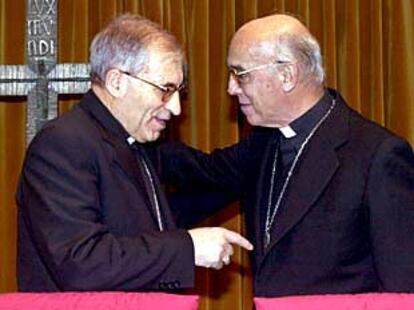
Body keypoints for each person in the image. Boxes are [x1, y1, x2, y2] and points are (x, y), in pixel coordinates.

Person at [157, 14, 414, 297]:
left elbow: (402, 289)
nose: (231, 88)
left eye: (240, 74)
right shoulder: (263, 142)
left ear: (287, 75)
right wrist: (127, 127)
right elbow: (200, 171)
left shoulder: (377, 156)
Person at [16, 14, 253, 292]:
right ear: (116, 82)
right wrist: (188, 248)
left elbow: (210, 177)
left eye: (178, 92)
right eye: (165, 90)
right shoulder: (62, 144)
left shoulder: (139, 141)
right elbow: (80, 262)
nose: (176, 108)